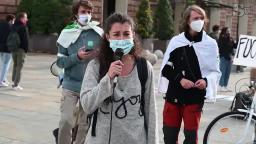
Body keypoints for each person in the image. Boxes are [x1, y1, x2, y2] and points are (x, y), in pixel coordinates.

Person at [80, 13, 158, 144]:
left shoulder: (144, 68)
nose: (122, 38)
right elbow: (87, 105)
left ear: (133, 35)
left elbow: (151, 113)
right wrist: (108, 78)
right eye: (116, 34)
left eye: (126, 34)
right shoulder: (95, 66)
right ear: (107, 37)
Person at [158, 5, 221, 144]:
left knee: (191, 138)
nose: (199, 21)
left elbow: (215, 72)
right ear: (187, 21)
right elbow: (166, 69)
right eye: (195, 18)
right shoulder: (176, 41)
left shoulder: (210, 44)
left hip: (194, 98)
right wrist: (180, 79)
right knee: (169, 136)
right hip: (173, 96)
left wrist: (206, 81)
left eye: (202, 18)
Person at [56, 0, 103, 144]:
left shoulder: (98, 33)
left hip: (90, 86)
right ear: (76, 13)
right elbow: (60, 62)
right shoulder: (66, 32)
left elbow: (105, 57)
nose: (87, 15)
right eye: (83, 12)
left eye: (89, 12)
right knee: (66, 121)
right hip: (70, 85)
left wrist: (100, 54)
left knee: (84, 124)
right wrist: (77, 57)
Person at [11, 12, 29, 90]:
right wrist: (26, 49)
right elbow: (25, 40)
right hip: (21, 49)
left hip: (13, 48)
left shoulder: (13, 26)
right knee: (19, 66)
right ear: (21, 18)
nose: (27, 19)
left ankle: (13, 81)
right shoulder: (23, 27)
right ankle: (16, 84)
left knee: (15, 65)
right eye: (25, 17)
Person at [0, 14, 15, 87]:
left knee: (2, 64)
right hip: (7, 48)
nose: (14, 22)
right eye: (13, 21)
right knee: (6, 65)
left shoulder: (1, 25)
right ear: (11, 20)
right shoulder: (10, 27)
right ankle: (1, 80)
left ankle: (4, 78)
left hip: (1, 48)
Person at [218, 27, 235, 92]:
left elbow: (233, 46)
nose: (229, 32)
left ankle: (225, 85)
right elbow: (224, 48)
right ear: (224, 31)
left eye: (229, 30)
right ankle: (221, 85)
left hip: (230, 58)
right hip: (224, 57)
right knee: (223, 72)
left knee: (227, 73)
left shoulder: (230, 38)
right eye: (228, 31)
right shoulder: (222, 38)